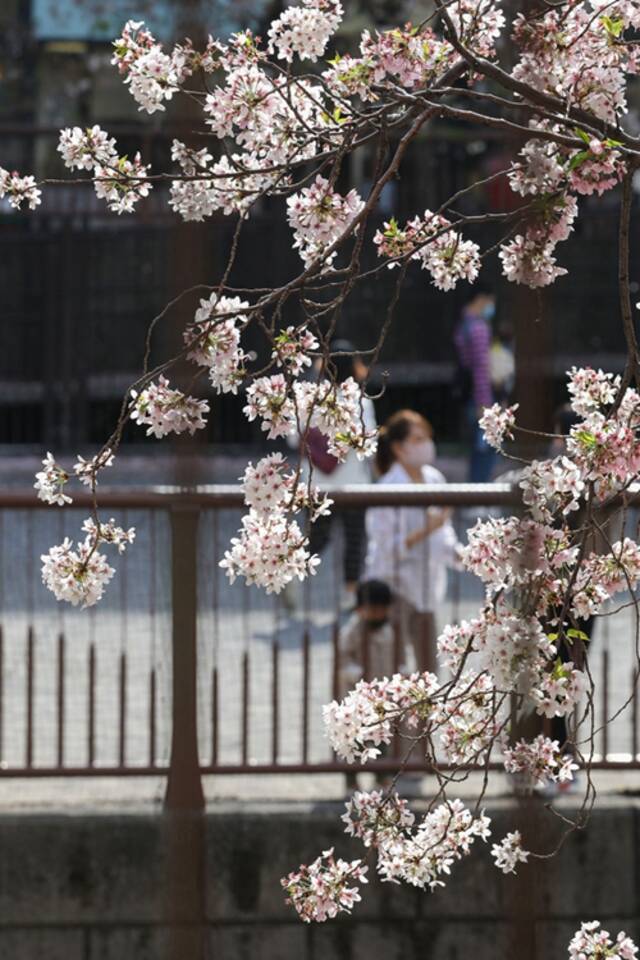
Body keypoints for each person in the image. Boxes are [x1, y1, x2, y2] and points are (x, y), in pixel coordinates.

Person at [364, 410, 460, 675]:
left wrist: (465, 556)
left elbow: (444, 536)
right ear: (398, 447)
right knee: (394, 668)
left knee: (429, 667)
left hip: (427, 586)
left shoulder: (434, 479)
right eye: (418, 439)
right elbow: (386, 547)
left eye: (426, 438)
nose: (426, 445)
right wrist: (430, 528)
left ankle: (428, 717)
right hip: (395, 585)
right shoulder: (387, 487)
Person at [305, 339, 377, 597]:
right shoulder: (360, 401)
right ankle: (351, 592)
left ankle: (291, 570)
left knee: (317, 537)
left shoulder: (310, 400)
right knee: (354, 540)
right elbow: (369, 440)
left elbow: (295, 439)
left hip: (316, 484)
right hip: (353, 484)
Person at [338, 579, 405, 791]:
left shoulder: (391, 630)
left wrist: (403, 673)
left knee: (382, 738)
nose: (377, 614)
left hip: (382, 698)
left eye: (381, 609)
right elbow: (343, 657)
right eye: (372, 609)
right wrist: (353, 672)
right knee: (353, 740)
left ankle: (382, 776)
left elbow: (402, 656)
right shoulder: (353, 631)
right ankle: (351, 779)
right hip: (354, 696)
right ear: (359, 609)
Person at [454, 284, 497, 482]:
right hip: (479, 398)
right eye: (490, 301)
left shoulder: (463, 324)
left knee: (476, 449)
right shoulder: (479, 328)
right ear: (481, 298)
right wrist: (485, 404)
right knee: (485, 449)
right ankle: (480, 494)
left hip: (468, 396)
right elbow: (481, 369)